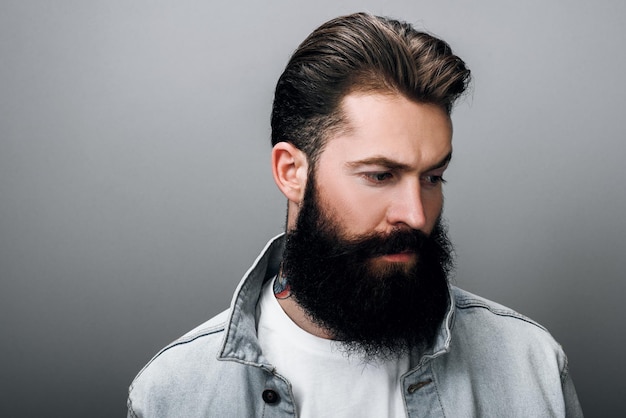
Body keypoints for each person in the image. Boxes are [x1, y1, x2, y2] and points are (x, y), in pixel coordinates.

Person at [127, 12, 583, 417]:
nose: (416, 216)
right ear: (292, 172)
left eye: (432, 177)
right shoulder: (174, 395)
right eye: (381, 176)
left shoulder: (531, 366)